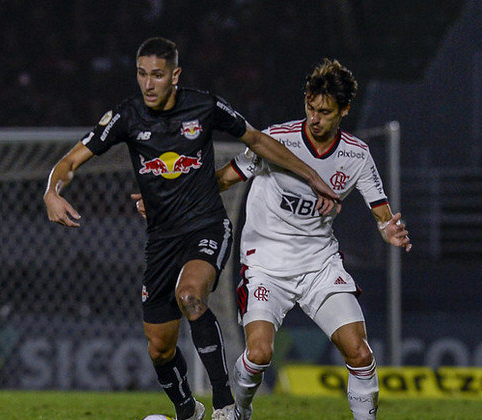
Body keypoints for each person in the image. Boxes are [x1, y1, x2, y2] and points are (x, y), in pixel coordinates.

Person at [44, 37, 340, 420]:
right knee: (159, 347)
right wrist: (52, 191)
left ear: (175, 75)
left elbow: (256, 140)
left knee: (191, 295)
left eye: (157, 75)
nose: (148, 84)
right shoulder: (127, 116)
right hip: (162, 240)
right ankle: (188, 411)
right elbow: (71, 160)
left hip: (207, 225)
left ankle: (224, 405)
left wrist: (312, 175)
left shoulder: (204, 106)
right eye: (142, 74)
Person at [219, 58, 412, 419]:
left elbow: (382, 214)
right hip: (265, 266)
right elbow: (225, 178)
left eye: (325, 111)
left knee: (360, 353)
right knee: (259, 355)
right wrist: (174, 196)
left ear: (344, 110)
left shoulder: (356, 155)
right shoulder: (277, 140)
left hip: (319, 266)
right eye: (310, 107)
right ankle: (238, 411)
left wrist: (390, 232)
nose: (315, 118)